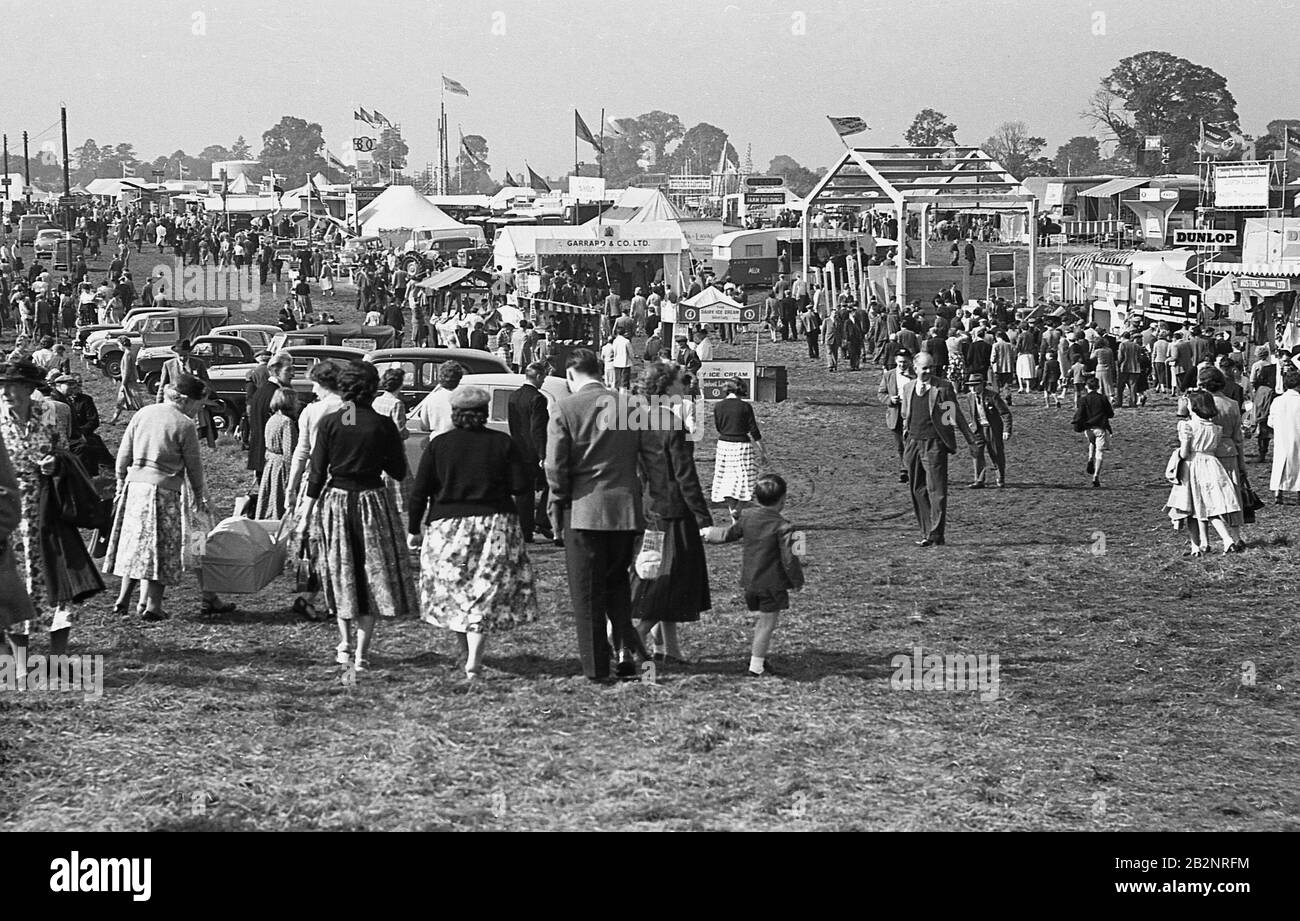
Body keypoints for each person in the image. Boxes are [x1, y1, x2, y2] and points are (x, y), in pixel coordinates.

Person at [408, 385, 538, 683]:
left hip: (448, 526)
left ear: (455, 413)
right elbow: (521, 485)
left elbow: (420, 492)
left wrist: (414, 528)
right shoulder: (502, 443)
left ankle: (463, 651)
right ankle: (474, 661)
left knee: (455, 590)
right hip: (494, 523)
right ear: (484, 413)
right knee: (484, 590)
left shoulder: (439, 445)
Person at [296, 361, 415, 672]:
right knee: (369, 572)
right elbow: (398, 471)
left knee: (342, 571)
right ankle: (361, 653)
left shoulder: (334, 421)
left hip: (336, 502)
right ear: (373, 388)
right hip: (372, 502)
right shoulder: (382, 423)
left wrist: (305, 514)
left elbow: (317, 474)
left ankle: (345, 645)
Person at [545, 348, 649, 683]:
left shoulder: (565, 408)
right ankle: (635, 656)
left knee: (587, 594)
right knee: (618, 588)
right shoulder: (629, 405)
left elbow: (556, 467)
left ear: (572, 375)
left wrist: (556, 504)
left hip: (583, 511)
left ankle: (596, 668)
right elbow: (647, 459)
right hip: (625, 511)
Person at [105, 374, 212, 622]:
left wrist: (121, 482)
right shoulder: (184, 424)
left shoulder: (142, 414)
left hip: (135, 487)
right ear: (186, 400)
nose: (199, 409)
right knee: (161, 548)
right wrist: (198, 495)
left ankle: (123, 600)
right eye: (199, 404)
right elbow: (194, 466)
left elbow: (123, 453)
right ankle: (153, 606)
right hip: (163, 490)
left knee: (135, 546)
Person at [631, 362, 713, 666]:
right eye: (680, 382)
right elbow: (685, 475)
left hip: (650, 508)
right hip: (675, 513)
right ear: (666, 388)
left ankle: (669, 649)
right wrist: (703, 518)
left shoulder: (636, 418)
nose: (685, 386)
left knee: (654, 575)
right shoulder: (671, 422)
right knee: (671, 581)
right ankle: (636, 637)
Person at [0, 360, 76, 653]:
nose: (6, 392)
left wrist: (56, 462)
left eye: (14, 386)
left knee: (55, 577)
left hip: (48, 507)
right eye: (2, 386)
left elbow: (66, 451)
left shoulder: (48, 413)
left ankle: (58, 655)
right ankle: (18, 659)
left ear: (30, 389)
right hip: (9, 514)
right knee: (14, 582)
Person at [702, 473, 804, 678]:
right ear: (783, 499)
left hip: (750, 583)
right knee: (767, 625)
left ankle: (760, 658)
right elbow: (790, 559)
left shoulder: (747, 517)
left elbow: (727, 535)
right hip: (772, 584)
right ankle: (756, 667)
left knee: (762, 623)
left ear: (756, 498)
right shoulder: (785, 527)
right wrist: (797, 580)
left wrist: (706, 533)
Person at [285, 360, 348, 622]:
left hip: (314, 480)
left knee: (312, 542)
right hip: (342, 480)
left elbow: (302, 451)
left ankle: (311, 594)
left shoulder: (311, 411)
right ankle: (332, 597)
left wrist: (291, 485)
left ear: (322, 383)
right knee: (338, 540)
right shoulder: (349, 408)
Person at [899, 351, 976, 547]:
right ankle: (926, 532)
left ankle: (936, 534)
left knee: (937, 491)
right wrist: (908, 438)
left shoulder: (943, 388)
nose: (928, 372)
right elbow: (906, 414)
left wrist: (969, 440)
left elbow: (952, 415)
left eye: (931, 368)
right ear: (914, 368)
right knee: (917, 489)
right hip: (913, 443)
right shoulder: (908, 388)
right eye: (924, 368)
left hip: (934, 444)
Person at [1165, 390, 1244, 555]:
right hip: (1212, 465)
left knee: (1191, 507)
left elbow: (1186, 452)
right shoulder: (1215, 428)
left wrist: (1176, 454)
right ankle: (1227, 539)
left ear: (1193, 407)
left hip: (1193, 466)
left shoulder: (1187, 426)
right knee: (1211, 506)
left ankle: (1195, 546)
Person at [506, 362, 553, 543]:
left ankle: (525, 530)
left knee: (524, 493)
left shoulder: (514, 396)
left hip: (519, 448)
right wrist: (542, 454)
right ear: (539, 376)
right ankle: (542, 520)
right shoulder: (538, 399)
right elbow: (537, 429)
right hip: (534, 450)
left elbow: (514, 425)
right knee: (550, 485)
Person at [711, 378, 765, 521]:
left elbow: (718, 427)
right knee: (748, 482)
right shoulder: (745, 407)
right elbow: (754, 431)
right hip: (742, 446)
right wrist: (763, 451)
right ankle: (738, 510)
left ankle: (734, 515)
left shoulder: (718, 406)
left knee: (725, 482)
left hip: (723, 446)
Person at [247, 351, 294, 479]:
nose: (293, 374)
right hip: (270, 460)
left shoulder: (262, 390)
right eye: (288, 370)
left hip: (260, 456)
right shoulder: (276, 394)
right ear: (276, 371)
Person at [255, 388, 298, 520]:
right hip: (281, 466)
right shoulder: (286, 422)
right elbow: (288, 451)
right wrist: (294, 476)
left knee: (271, 495)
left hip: (271, 463)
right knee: (279, 497)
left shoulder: (273, 419)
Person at [965, 373, 1012, 489]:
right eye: (970, 386)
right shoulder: (969, 397)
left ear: (982, 385)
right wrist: (973, 423)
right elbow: (973, 412)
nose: (972, 388)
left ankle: (1000, 478)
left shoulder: (992, 396)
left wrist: (1006, 430)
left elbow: (1005, 413)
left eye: (975, 385)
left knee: (996, 453)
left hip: (992, 429)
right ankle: (979, 480)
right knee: (976, 452)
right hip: (978, 429)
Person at [878, 348, 913, 483]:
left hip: (911, 412)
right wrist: (890, 400)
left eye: (904, 362)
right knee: (900, 445)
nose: (902, 365)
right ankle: (904, 468)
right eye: (899, 362)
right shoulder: (889, 376)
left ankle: (908, 469)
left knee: (910, 442)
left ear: (910, 361)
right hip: (895, 412)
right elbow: (881, 393)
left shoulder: (916, 375)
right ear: (895, 361)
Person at [1072, 376, 1114, 488]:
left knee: (1092, 442)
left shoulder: (1083, 400)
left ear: (1087, 387)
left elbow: (1080, 414)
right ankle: (1096, 476)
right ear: (1098, 387)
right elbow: (1110, 414)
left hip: (1088, 429)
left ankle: (1090, 457)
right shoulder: (1103, 398)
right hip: (1100, 428)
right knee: (1100, 453)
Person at [1267, 365, 1300, 503]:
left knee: (1280, 462)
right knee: (1298, 463)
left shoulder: (1278, 401)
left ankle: (1277, 491)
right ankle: (1298, 492)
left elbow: (1271, 422)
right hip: (1297, 435)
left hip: (1281, 436)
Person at [410, 360, 464, 439]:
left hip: (436, 440)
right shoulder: (464, 399)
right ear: (459, 378)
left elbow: (424, 426)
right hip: (458, 440)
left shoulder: (431, 398)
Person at [110, 335, 145, 424]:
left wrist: (124, 384)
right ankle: (114, 419)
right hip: (128, 381)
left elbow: (127, 371)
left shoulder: (127, 354)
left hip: (129, 382)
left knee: (137, 402)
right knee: (120, 401)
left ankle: (144, 418)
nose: (119, 347)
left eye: (119, 345)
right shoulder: (129, 353)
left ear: (122, 344)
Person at [1251, 346, 1277, 462]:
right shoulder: (1272, 366)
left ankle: (1262, 451)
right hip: (1272, 394)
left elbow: (1253, 380)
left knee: (1261, 422)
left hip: (1261, 394)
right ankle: (1266, 449)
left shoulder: (1256, 365)